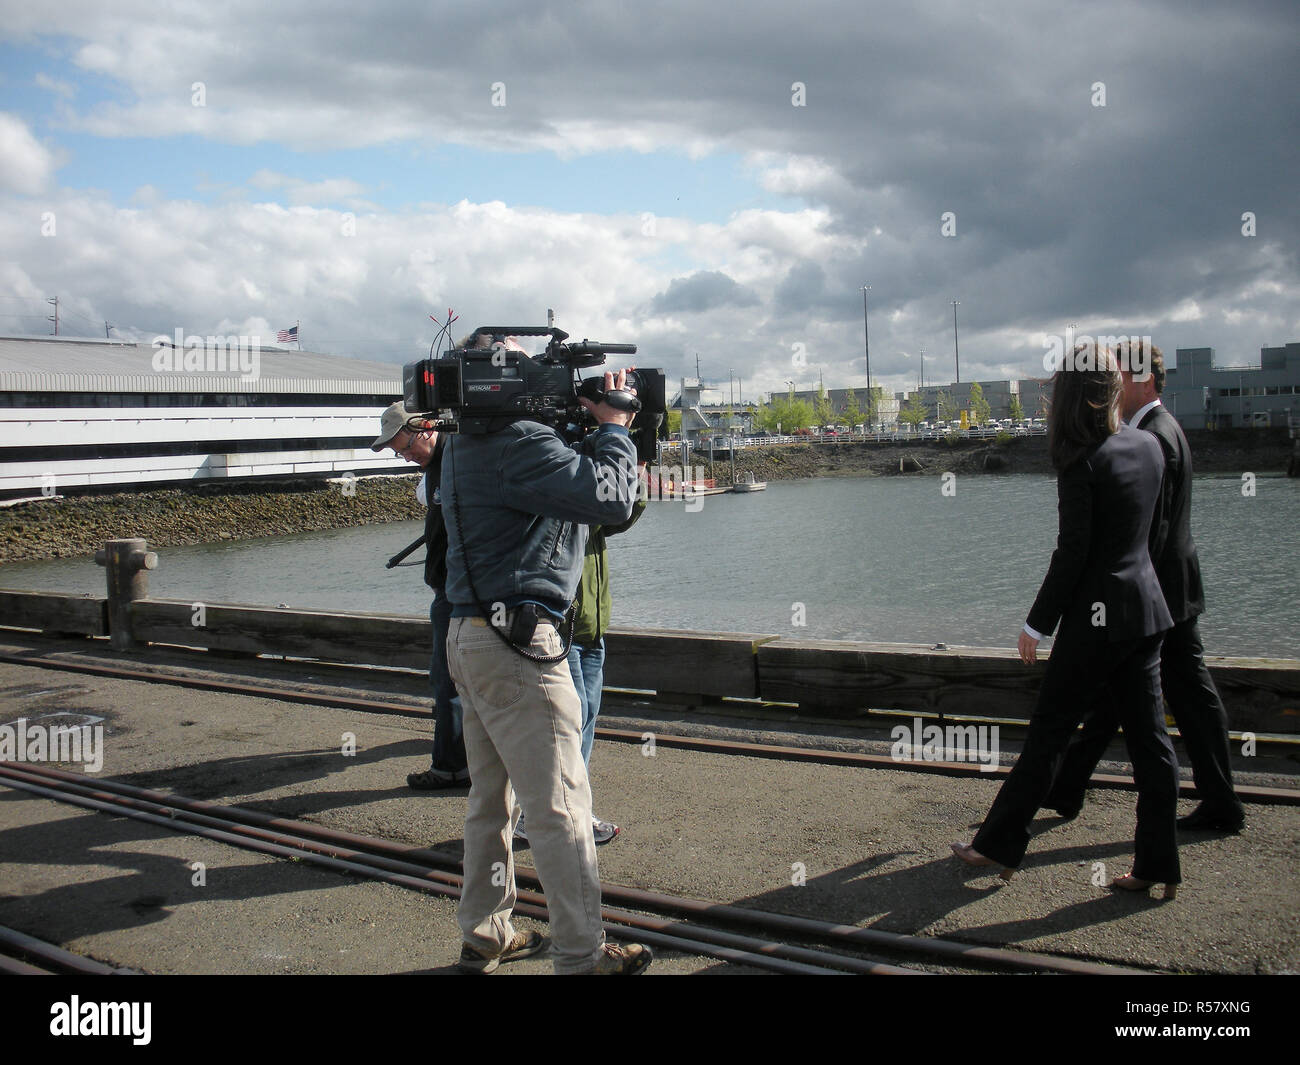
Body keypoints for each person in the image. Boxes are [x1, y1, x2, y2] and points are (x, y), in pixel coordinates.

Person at [442, 351, 653, 975]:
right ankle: (583, 957)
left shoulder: (462, 443)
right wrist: (616, 427)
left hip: (469, 636)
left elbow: (578, 505)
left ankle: (486, 932)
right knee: (562, 809)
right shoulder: (524, 445)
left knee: (490, 800)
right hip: (517, 649)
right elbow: (614, 502)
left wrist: (585, 431)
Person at [952, 346, 1182, 898]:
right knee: (1152, 744)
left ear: (1072, 396)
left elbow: (1072, 552)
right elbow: (1151, 538)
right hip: (1146, 613)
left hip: (1095, 623)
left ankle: (997, 846)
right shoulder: (1149, 446)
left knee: (1049, 735)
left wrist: (1036, 625)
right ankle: (1158, 866)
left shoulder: (1080, 459)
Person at [1044, 342, 1245, 831]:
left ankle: (1219, 804)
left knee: (1184, 700)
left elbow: (1146, 533)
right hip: (1163, 593)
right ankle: (1067, 789)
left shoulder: (1156, 437)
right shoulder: (1159, 431)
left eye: (1120, 375)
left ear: (1145, 381)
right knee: (1126, 698)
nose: (1113, 385)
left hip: (1159, 596)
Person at [513, 479, 647, 847]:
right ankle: (546, 813)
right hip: (562, 629)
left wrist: (636, 468)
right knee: (567, 725)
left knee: (583, 721)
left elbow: (623, 512)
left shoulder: (593, 505)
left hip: (591, 630)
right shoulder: (558, 492)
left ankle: (566, 809)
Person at [371, 402, 468, 789]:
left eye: (406, 446)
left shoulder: (457, 463)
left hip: (458, 593)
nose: (405, 455)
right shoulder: (440, 467)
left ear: (427, 429)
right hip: (452, 589)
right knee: (451, 681)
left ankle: (450, 769)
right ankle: (462, 764)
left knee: (447, 680)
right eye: (398, 451)